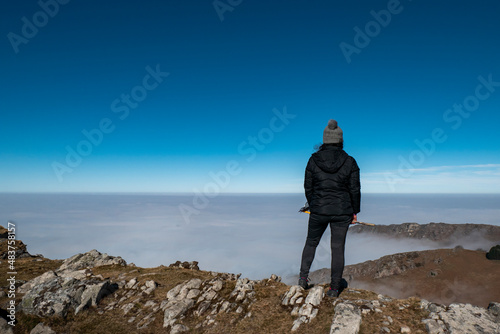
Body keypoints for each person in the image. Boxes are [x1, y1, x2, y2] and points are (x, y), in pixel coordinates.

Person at [298, 119, 361, 297]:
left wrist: (314, 203)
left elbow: (307, 186)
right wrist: (354, 212)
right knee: (337, 248)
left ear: (324, 141)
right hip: (342, 212)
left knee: (311, 242)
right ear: (340, 140)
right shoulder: (350, 161)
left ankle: (303, 279)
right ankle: (334, 289)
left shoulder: (313, 160)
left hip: (318, 211)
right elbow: (355, 189)